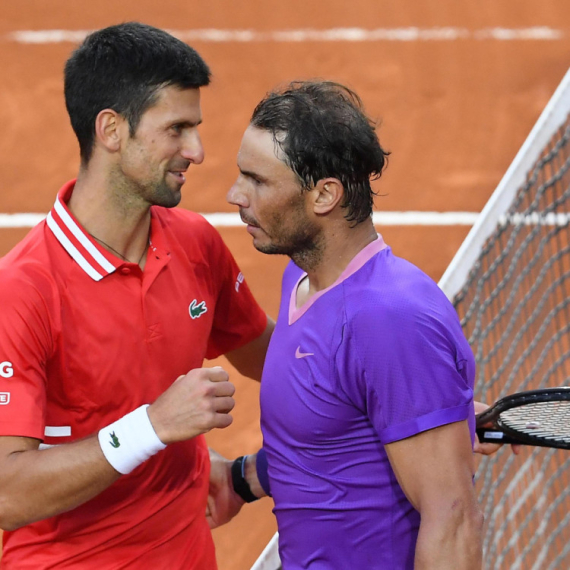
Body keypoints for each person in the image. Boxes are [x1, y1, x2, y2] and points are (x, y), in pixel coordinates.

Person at [0, 22, 274, 569]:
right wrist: (150, 427)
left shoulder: (194, 242)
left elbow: (278, 359)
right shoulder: (22, 292)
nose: (196, 151)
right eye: (176, 129)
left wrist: (426, 405)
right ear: (111, 129)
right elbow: (7, 493)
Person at [223, 80, 484, 569]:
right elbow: (330, 437)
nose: (235, 194)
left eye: (257, 180)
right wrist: (241, 481)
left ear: (324, 195)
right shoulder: (300, 278)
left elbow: (452, 519)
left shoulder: (389, 320)